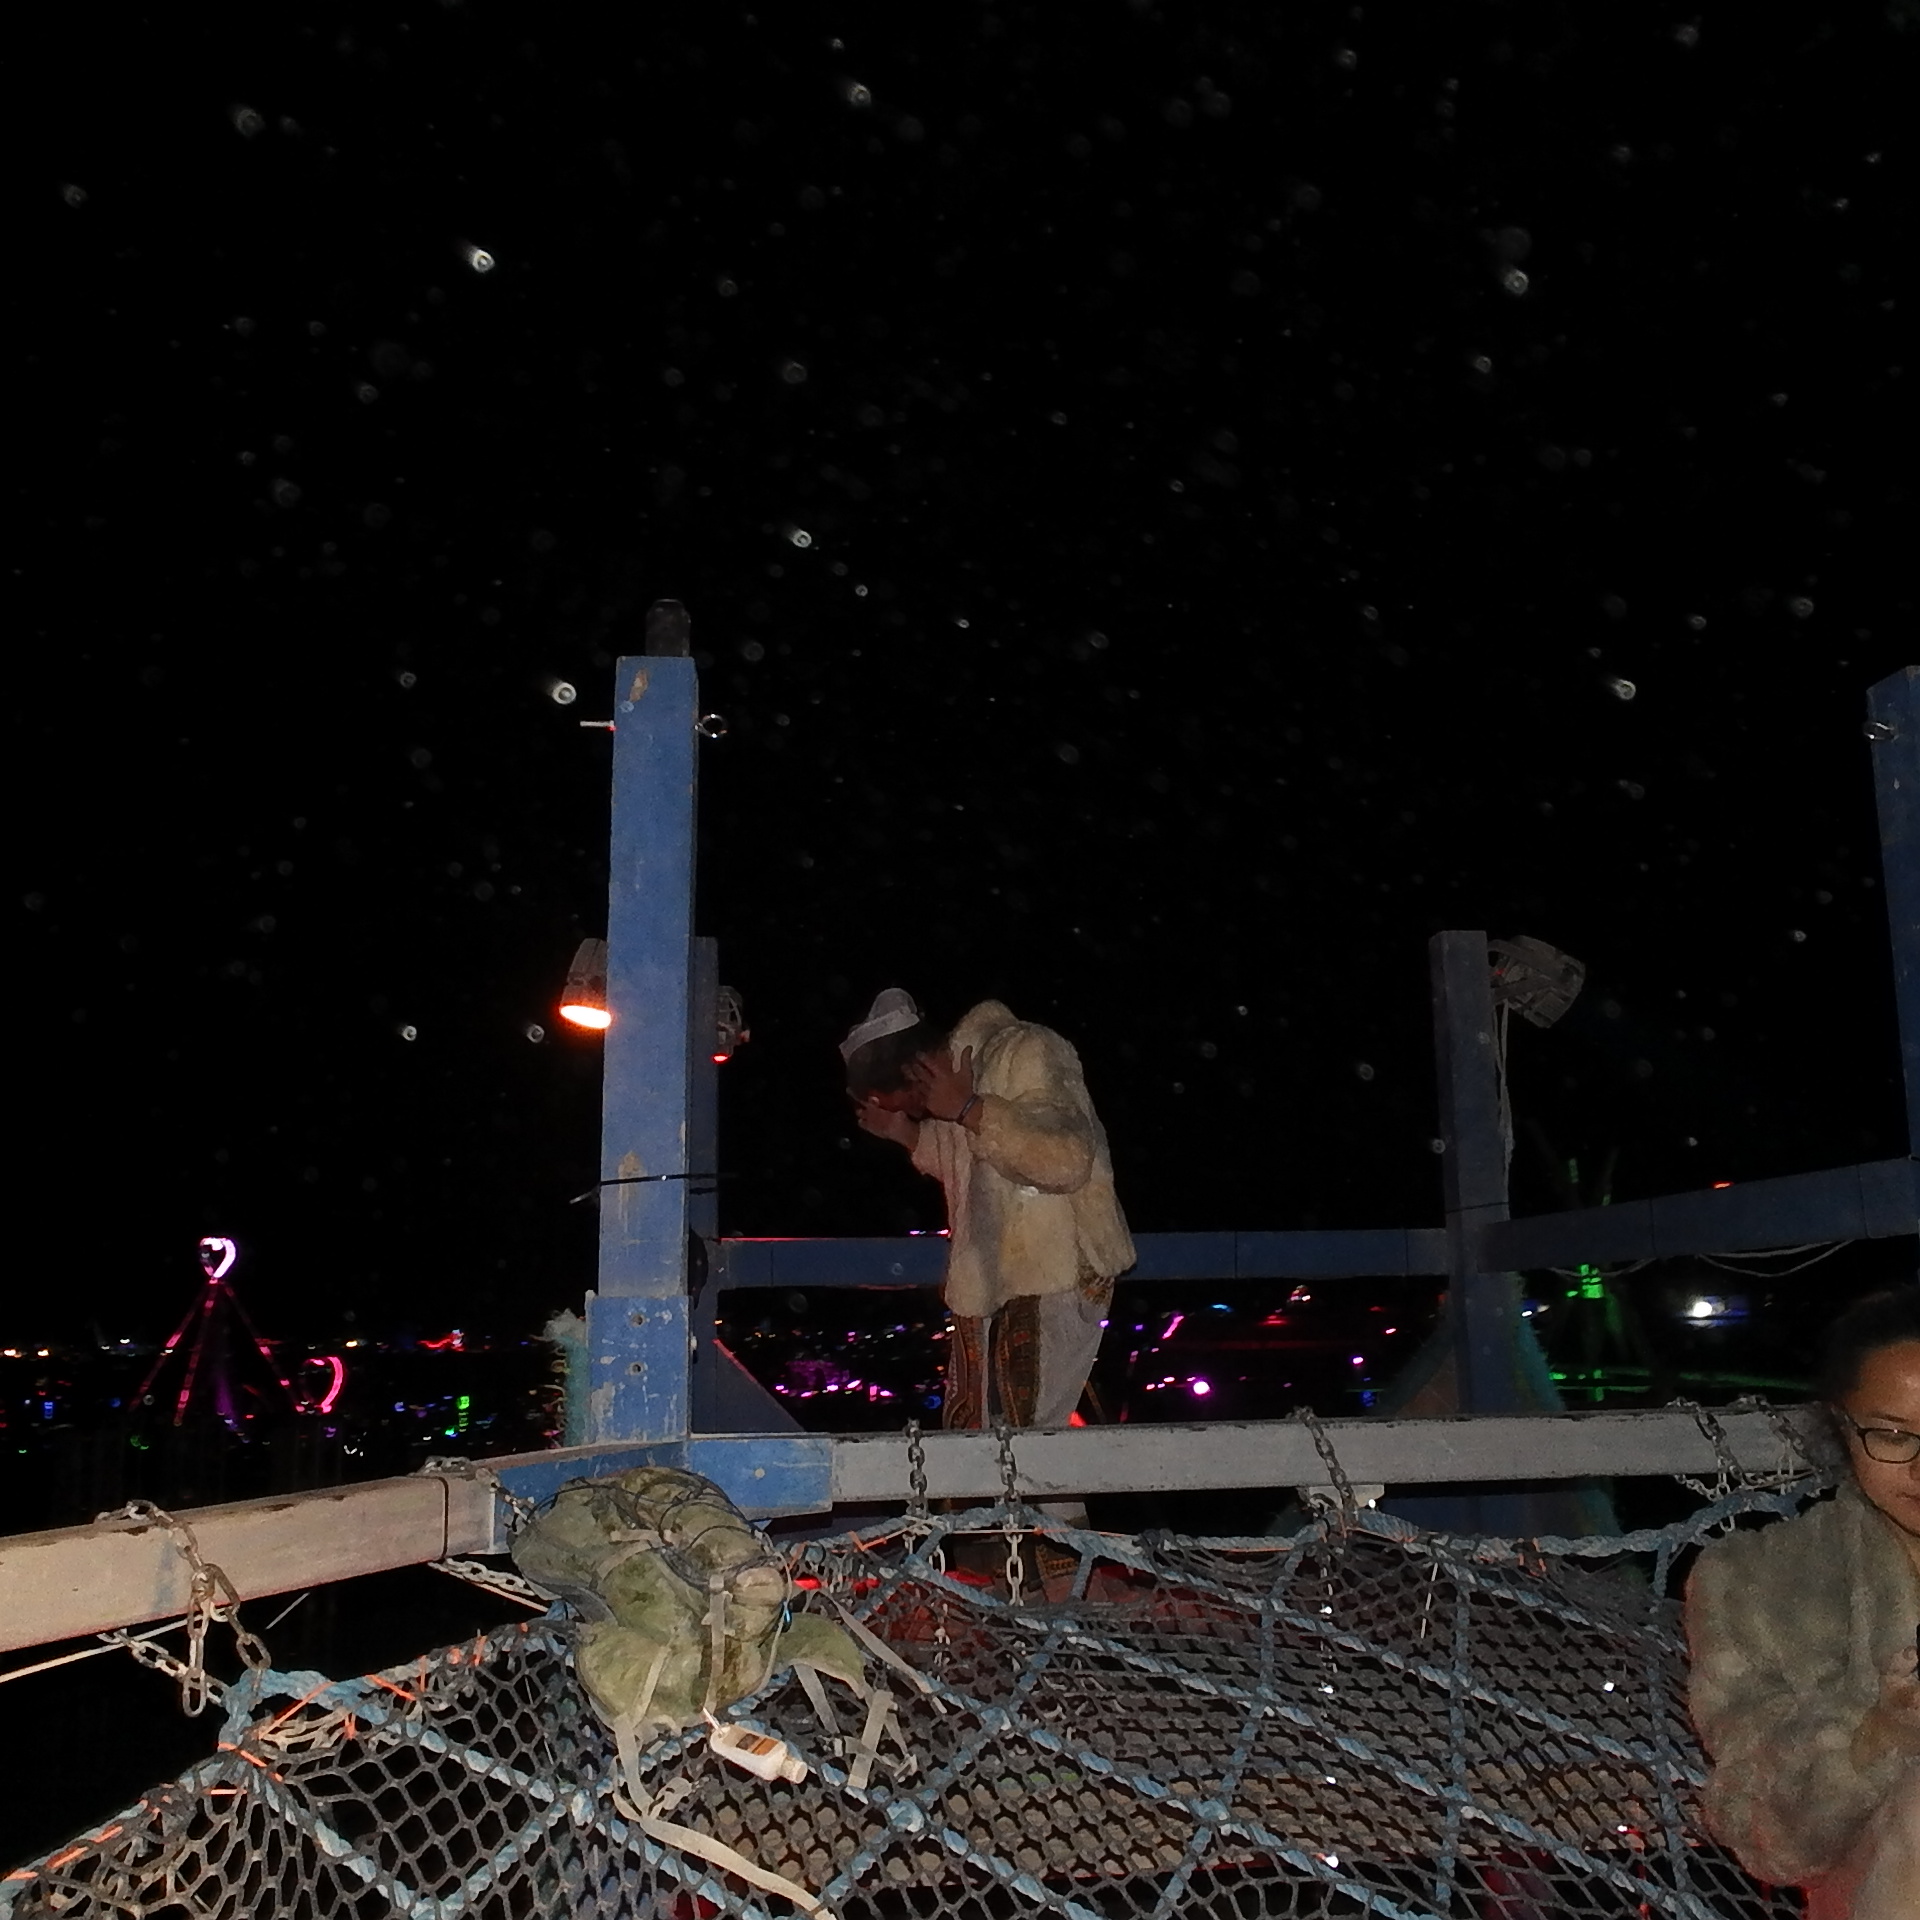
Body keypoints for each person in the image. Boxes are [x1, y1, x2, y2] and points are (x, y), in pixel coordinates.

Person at [1685, 1286, 1920, 1919]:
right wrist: (1879, 1734)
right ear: (1844, 1428)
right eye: (1893, 1436)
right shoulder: (1761, 1583)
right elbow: (1763, 1833)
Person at [840, 988, 1134, 1434]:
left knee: (1024, 1439)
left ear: (913, 1072)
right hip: (996, 1281)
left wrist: (969, 1109)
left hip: (1054, 1274)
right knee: (984, 1433)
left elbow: (1067, 1160)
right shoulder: (962, 1081)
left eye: (909, 1103)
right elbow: (973, 1172)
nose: (920, 1112)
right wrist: (906, 1133)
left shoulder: (1026, 1050)